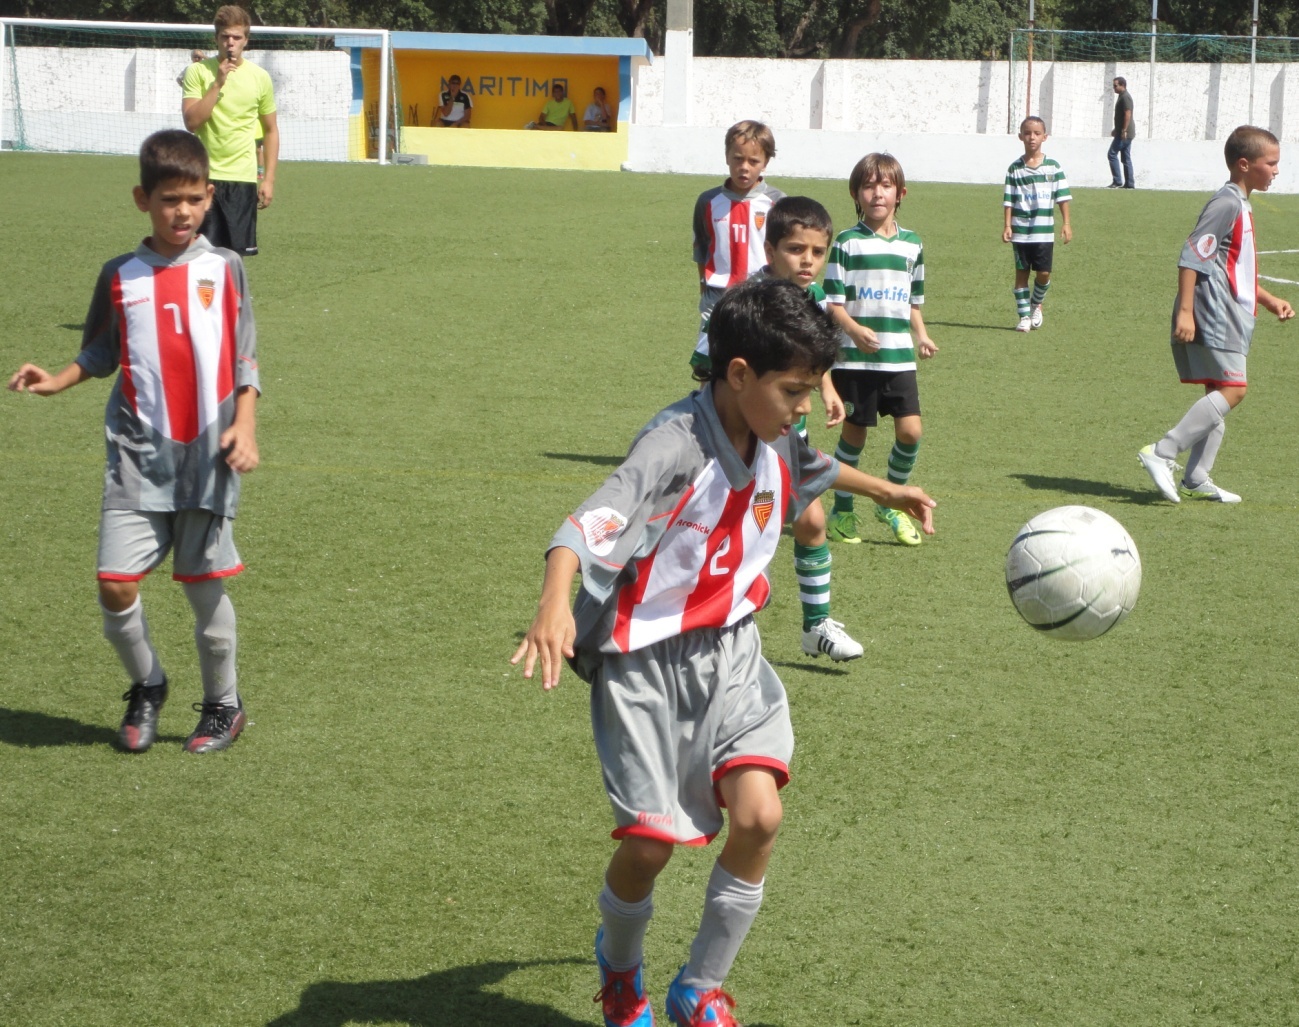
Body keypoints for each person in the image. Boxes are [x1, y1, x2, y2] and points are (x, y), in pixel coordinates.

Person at [511, 277, 935, 1027]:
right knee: (649, 848)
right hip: (643, 663)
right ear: (738, 374)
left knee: (760, 817)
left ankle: (699, 986)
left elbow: (812, 465)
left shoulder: (773, 432)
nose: (804, 406)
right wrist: (553, 604)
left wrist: (882, 491)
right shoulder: (674, 444)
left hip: (733, 651)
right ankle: (620, 970)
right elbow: (589, 520)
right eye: (793, 390)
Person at [6, 129, 261, 754]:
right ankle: (148, 684)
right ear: (142, 199)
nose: (183, 212)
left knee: (203, 588)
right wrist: (57, 379)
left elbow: (245, 355)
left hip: (208, 458)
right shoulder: (120, 275)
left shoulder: (225, 268)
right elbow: (101, 349)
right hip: (138, 456)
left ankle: (223, 705)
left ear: (210, 197)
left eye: (195, 199)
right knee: (115, 583)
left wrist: (245, 423)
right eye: (170, 199)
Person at [691, 196, 862, 662]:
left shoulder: (814, 299)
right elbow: (706, 364)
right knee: (729, 529)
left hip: (786, 435)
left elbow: (809, 358)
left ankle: (816, 626)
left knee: (812, 521)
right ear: (770, 251)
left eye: (818, 252)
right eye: (795, 249)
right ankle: (700, 614)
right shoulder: (745, 303)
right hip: (738, 443)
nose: (807, 261)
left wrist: (825, 389)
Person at [1137, 125, 1293, 504]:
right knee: (1234, 389)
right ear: (1244, 164)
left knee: (1217, 390)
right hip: (1216, 311)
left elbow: (1232, 265)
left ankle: (1196, 477)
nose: (1276, 170)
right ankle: (1162, 451)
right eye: (1271, 163)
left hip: (1232, 311)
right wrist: (1185, 312)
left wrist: (1268, 299)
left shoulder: (1241, 203)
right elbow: (1192, 256)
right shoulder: (1226, 204)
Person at [824, 153, 939, 547]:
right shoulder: (846, 242)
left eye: (885, 186)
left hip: (898, 357)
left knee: (911, 431)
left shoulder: (912, 244)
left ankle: (891, 502)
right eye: (869, 186)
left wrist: (921, 336)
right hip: (854, 360)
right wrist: (854, 330)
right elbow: (832, 303)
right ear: (855, 193)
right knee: (854, 437)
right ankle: (842, 511)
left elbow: (913, 303)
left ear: (900, 193)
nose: (877, 193)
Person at [182, 4, 278, 256]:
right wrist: (217, 84)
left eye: (236, 37)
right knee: (201, 257)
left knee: (235, 258)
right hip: (204, 178)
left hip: (242, 179)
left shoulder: (260, 77)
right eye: (225, 37)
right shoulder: (198, 72)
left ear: (246, 40)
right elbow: (191, 122)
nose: (230, 43)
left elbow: (271, 130)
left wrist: (268, 179)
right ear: (216, 38)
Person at [690, 120, 784, 377]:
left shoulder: (777, 203)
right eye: (738, 158)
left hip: (761, 295)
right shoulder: (708, 201)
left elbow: (784, 252)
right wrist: (704, 289)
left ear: (765, 162)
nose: (744, 167)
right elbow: (702, 249)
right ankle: (707, 403)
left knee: (759, 365)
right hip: (717, 297)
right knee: (710, 369)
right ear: (726, 157)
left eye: (753, 161)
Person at [1002, 116, 1073, 332]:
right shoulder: (1014, 169)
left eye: (1036, 133)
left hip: (1043, 233)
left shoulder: (1053, 167)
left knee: (1043, 274)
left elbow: (1062, 197)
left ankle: (1036, 304)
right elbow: (1008, 200)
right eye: (1027, 133)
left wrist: (1066, 223)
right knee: (1021, 274)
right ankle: (1024, 317)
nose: (1031, 137)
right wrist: (1007, 225)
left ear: (1045, 137)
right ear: (1020, 136)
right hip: (1021, 231)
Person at [1108, 77, 1136, 189]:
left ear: (1122, 85)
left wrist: (1123, 130)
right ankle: (1129, 183)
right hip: (1125, 132)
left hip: (1125, 133)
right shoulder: (1122, 96)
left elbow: (1127, 114)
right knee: (1125, 157)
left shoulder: (1125, 97)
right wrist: (1117, 128)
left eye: (1115, 85)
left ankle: (1117, 180)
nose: (1114, 88)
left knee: (1112, 154)